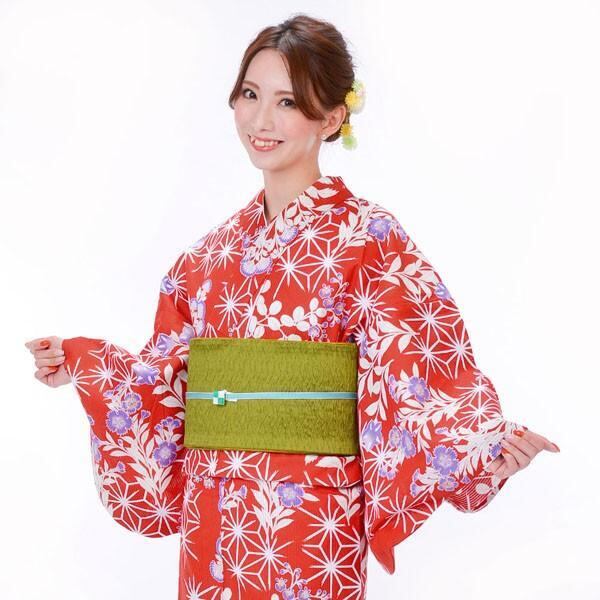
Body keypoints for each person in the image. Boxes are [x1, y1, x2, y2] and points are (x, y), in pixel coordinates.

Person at [25, 13, 560, 600]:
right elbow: (164, 386)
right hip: (214, 518)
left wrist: (482, 447)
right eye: (250, 94)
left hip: (311, 515)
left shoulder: (367, 238)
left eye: (287, 102)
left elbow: (419, 367)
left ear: (331, 118)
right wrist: (85, 364)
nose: (261, 120)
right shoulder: (206, 258)